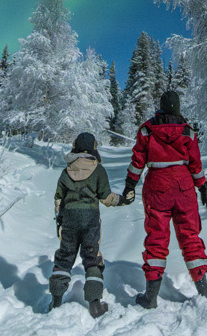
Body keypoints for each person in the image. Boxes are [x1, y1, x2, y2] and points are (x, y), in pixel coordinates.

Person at [122, 89, 207, 308]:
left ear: (161, 107)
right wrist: (203, 188)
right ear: (178, 107)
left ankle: (150, 297)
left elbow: (137, 161)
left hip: (157, 186)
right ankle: (203, 291)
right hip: (184, 187)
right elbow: (195, 165)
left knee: (156, 239)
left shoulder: (146, 130)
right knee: (190, 236)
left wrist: (129, 185)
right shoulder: (188, 132)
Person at [49, 132, 122, 318]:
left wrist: (60, 219)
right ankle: (95, 305)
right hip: (90, 218)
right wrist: (120, 200)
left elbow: (58, 197)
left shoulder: (66, 171)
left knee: (64, 257)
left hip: (69, 218)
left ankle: (56, 302)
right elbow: (106, 198)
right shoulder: (98, 170)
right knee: (91, 256)